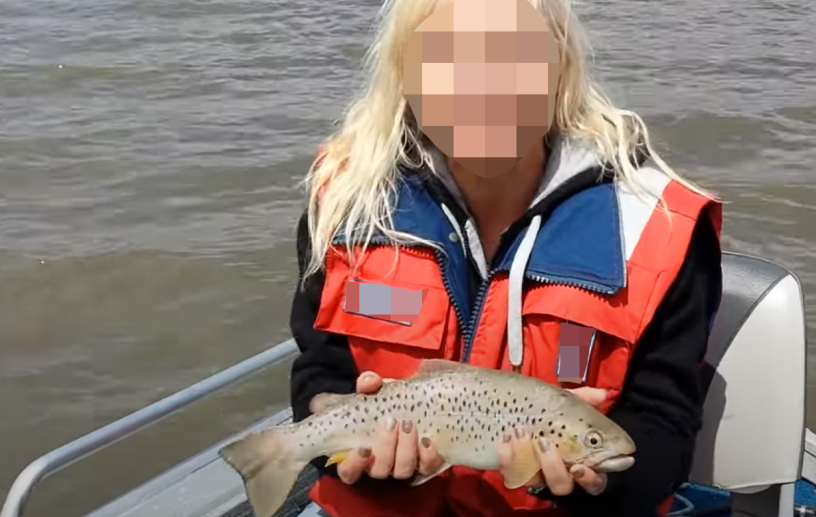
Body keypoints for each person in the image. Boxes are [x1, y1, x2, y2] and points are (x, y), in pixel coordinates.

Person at [288, 0, 723, 515]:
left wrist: (585, 485)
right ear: (404, 76)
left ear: (561, 67)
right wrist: (363, 466)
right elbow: (321, 375)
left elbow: (663, 430)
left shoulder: (662, 229)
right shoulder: (347, 205)